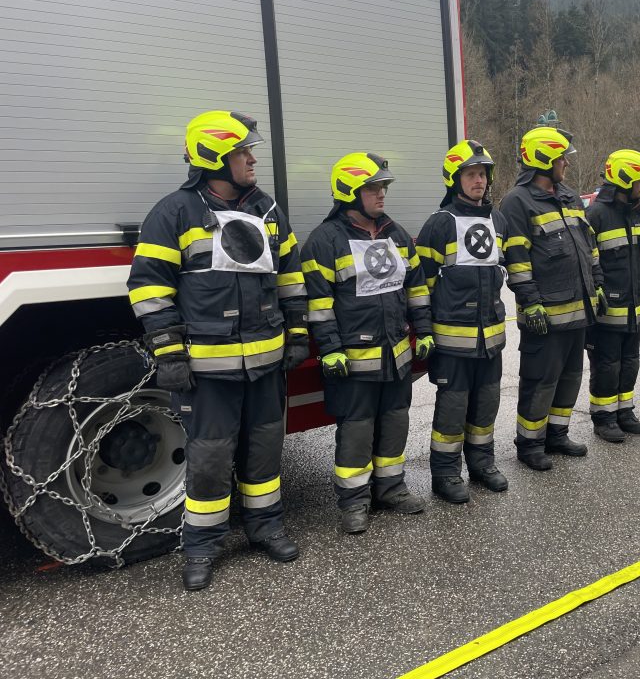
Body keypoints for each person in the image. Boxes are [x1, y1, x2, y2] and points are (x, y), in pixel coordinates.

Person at [127, 110, 306, 591]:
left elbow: (290, 277)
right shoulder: (174, 213)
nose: (252, 160)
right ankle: (202, 546)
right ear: (214, 157)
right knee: (209, 458)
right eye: (243, 152)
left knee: (264, 449)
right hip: (208, 370)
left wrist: (298, 333)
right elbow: (149, 288)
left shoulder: (267, 211)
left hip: (266, 365)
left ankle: (266, 527)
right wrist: (169, 352)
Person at [300, 152, 434, 533]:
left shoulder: (396, 234)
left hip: (396, 357)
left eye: (383, 187)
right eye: (373, 187)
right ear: (349, 192)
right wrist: (330, 349)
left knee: (395, 422)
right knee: (356, 431)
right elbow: (319, 305)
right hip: (354, 362)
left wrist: (424, 331)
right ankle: (354, 501)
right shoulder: (324, 241)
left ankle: (391, 489)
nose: (381, 194)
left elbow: (416, 289)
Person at [499, 126, 604, 470]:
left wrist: (598, 284)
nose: (566, 164)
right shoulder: (517, 202)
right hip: (544, 315)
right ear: (544, 159)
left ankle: (557, 435)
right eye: (561, 158)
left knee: (571, 377)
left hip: (579, 311)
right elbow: (517, 260)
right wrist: (530, 302)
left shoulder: (570, 197)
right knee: (540, 382)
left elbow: (589, 246)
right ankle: (530, 444)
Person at [416, 140, 509, 503]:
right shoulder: (439, 224)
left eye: (482, 174)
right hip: (452, 342)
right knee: (452, 410)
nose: (479, 180)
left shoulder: (497, 220)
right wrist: (423, 330)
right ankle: (445, 474)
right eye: (470, 174)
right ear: (455, 180)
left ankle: (482, 464)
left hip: (491, 340)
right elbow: (420, 286)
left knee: (486, 405)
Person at [585, 149, 640, 441]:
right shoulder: (597, 214)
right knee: (607, 365)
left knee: (629, 362)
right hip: (608, 310)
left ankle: (625, 412)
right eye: (639, 181)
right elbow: (588, 260)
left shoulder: (638, 212)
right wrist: (598, 289)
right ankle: (604, 418)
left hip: (633, 308)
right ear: (625, 181)